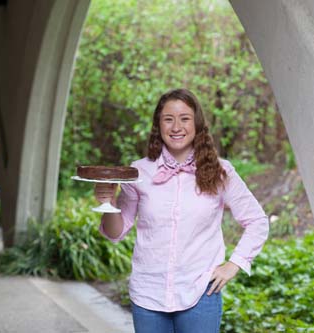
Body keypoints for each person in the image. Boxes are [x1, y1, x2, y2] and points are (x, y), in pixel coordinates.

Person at [94, 88, 269, 333]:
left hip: (200, 293)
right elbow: (114, 233)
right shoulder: (138, 172)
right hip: (148, 294)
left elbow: (257, 221)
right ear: (159, 125)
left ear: (196, 123)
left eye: (184, 118)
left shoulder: (221, 171)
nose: (176, 127)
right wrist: (108, 202)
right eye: (168, 119)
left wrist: (234, 264)